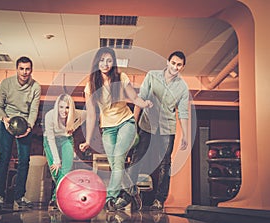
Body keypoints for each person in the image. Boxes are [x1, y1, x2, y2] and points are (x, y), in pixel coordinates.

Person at [79, 47, 153, 212]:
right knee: (115, 164)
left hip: (126, 123)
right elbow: (91, 115)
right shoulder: (90, 86)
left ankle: (110, 198)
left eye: (109, 60)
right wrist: (88, 140)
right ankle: (132, 190)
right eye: (102, 60)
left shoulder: (121, 77)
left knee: (118, 157)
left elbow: (134, 98)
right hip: (107, 128)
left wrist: (144, 103)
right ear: (97, 62)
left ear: (113, 63)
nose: (105, 64)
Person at [128, 51, 189, 211]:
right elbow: (140, 99)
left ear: (182, 67)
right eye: (173, 63)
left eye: (179, 65)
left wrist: (185, 135)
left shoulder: (182, 87)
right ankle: (128, 195)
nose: (175, 67)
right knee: (136, 158)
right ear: (168, 62)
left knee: (165, 164)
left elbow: (183, 112)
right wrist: (133, 124)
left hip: (167, 128)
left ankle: (159, 200)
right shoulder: (152, 76)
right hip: (147, 124)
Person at [0, 56, 41, 209]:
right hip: (7, 123)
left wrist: (29, 127)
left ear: (31, 70)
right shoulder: (6, 83)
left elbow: (34, 110)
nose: (24, 72)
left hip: (25, 124)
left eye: (27, 69)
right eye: (21, 68)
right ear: (17, 69)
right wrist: (4, 119)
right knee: (5, 157)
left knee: (24, 160)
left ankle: (19, 196)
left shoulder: (35, 87)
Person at [43, 94, 86, 210]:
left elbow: (90, 114)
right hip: (50, 139)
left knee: (66, 171)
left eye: (67, 107)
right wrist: (57, 161)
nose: (64, 111)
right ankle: (59, 196)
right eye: (61, 107)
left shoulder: (77, 114)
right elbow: (51, 139)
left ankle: (55, 199)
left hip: (66, 139)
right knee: (56, 170)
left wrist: (73, 126)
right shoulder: (50, 116)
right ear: (57, 106)